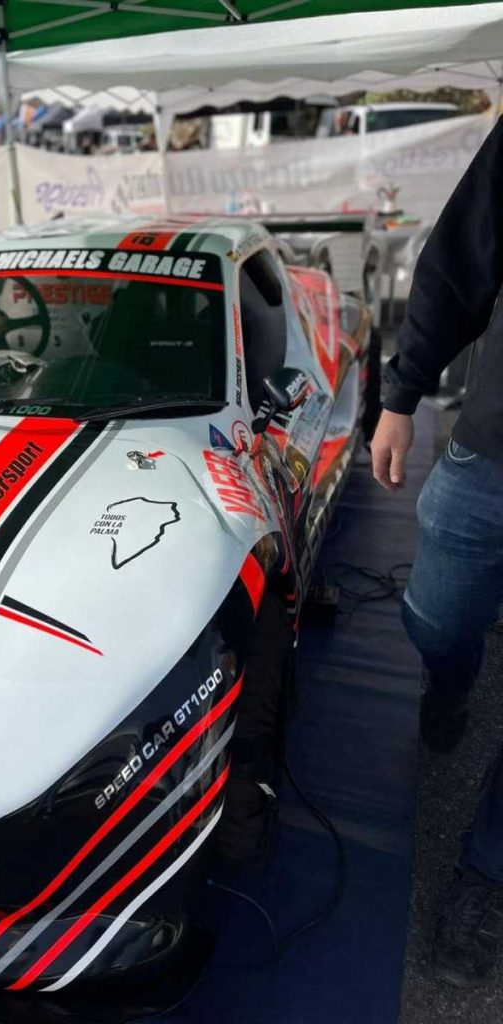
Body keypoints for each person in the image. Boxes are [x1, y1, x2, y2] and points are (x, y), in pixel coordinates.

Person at [371, 115, 503, 989]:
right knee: (436, 618)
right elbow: (460, 262)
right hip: (492, 449)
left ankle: (486, 873)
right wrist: (402, 393)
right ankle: (451, 683)